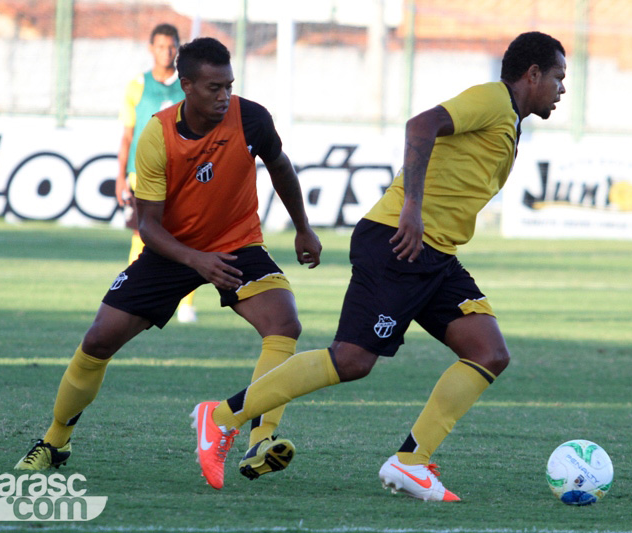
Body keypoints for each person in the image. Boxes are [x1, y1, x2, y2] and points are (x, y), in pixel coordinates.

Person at [193, 31, 567, 499]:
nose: (562, 89)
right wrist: (411, 206)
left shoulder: (508, 120)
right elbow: (420, 125)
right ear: (532, 75)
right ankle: (222, 416)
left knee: (488, 351)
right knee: (351, 360)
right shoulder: (492, 100)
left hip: (436, 256)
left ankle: (411, 461)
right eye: (558, 77)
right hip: (398, 241)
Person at [15, 37, 323, 481]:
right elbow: (149, 227)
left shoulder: (251, 118)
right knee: (99, 340)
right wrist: (196, 260)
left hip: (238, 245)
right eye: (214, 87)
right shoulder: (157, 136)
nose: (224, 97)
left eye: (229, 86)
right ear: (187, 86)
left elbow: (280, 166)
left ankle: (260, 440)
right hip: (172, 251)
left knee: (284, 325)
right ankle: (54, 439)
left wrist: (302, 227)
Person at [115, 23, 197, 323]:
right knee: (141, 235)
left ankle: (186, 304)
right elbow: (127, 134)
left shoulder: (188, 85)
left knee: (186, 236)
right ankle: (133, 296)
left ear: (178, 47)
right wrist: (121, 175)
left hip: (182, 173)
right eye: (161, 46)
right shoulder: (137, 85)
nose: (167, 52)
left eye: (172, 46)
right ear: (151, 49)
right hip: (143, 173)